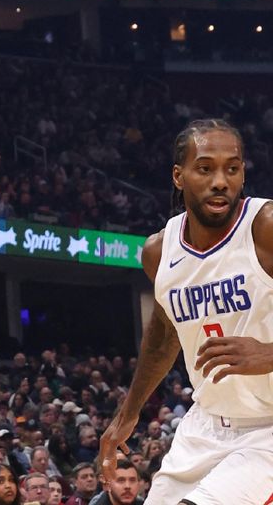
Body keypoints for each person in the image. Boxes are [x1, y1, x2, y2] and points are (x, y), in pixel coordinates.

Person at [99, 119, 273, 505]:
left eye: (233, 168)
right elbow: (163, 336)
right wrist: (128, 414)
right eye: (206, 168)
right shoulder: (159, 252)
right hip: (204, 426)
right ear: (179, 176)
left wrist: (269, 353)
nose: (221, 181)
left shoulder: (265, 227)